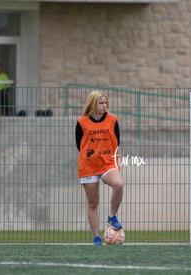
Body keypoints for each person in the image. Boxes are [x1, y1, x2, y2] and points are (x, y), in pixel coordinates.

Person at [75, 90, 124, 245]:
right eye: (101, 103)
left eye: (105, 103)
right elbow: (79, 145)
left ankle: (112, 216)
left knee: (118, 184)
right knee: (93, 203)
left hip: (108, 163)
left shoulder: (113, 120)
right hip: (89, 166)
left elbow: (117, 141)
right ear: (93, 104)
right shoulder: (82, 122)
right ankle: (96, 237)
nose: (104, 106)